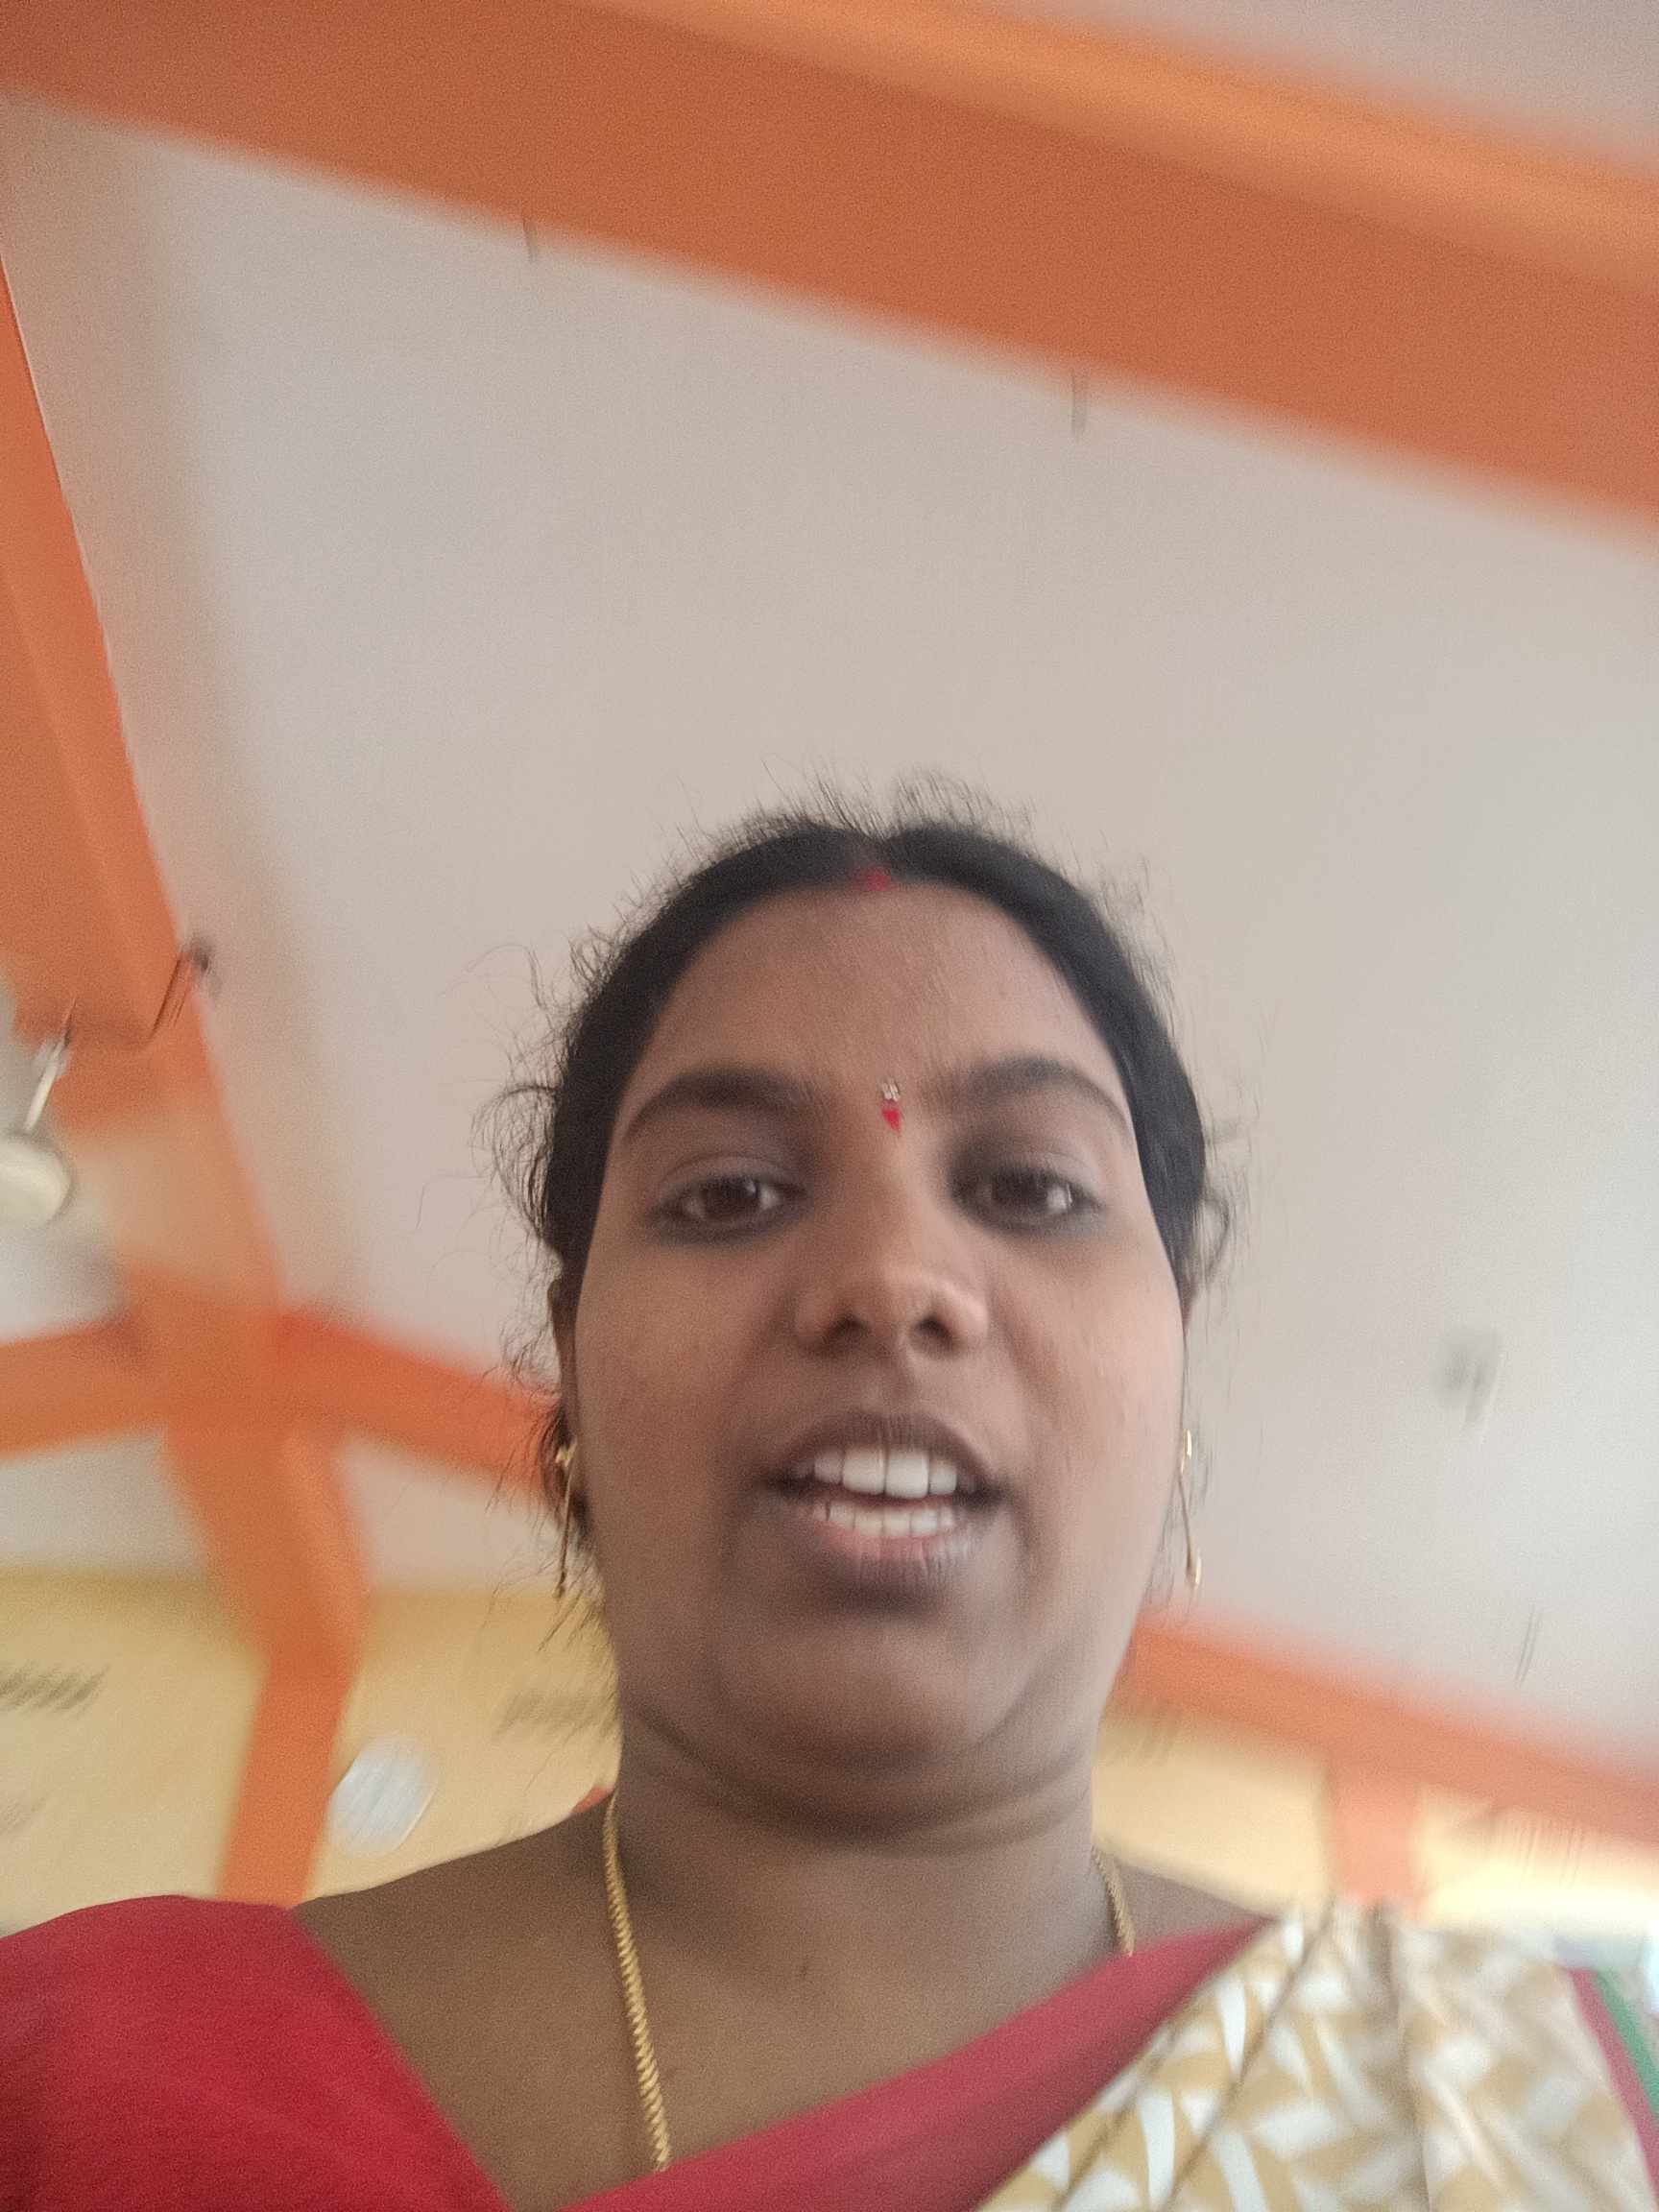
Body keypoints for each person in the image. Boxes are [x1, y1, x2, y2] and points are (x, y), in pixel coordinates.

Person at [4, 805, 1655, 2210]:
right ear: (570, 1376)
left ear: (1174, 1371)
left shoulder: (1541, 2109)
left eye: (1030, 1187)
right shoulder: (81, 2082)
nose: (890, 1277)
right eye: (729, 1193)